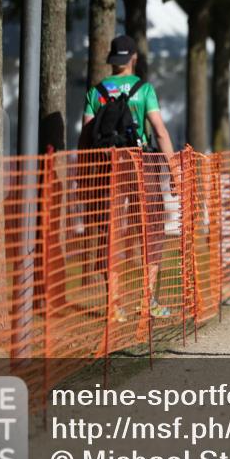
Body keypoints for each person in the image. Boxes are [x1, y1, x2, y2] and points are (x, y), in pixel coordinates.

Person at [80, 34, 178, 321]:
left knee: (110, 233)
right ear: (133, 57)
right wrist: (173, 172)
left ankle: (114, 306)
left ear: (113, 59)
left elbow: (86, 135)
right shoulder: (144, 89)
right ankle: (148, 300)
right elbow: (160, 131)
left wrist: (82, 173)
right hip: (140, 165)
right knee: (150, 229)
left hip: (108, 168)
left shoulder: (95, 92)